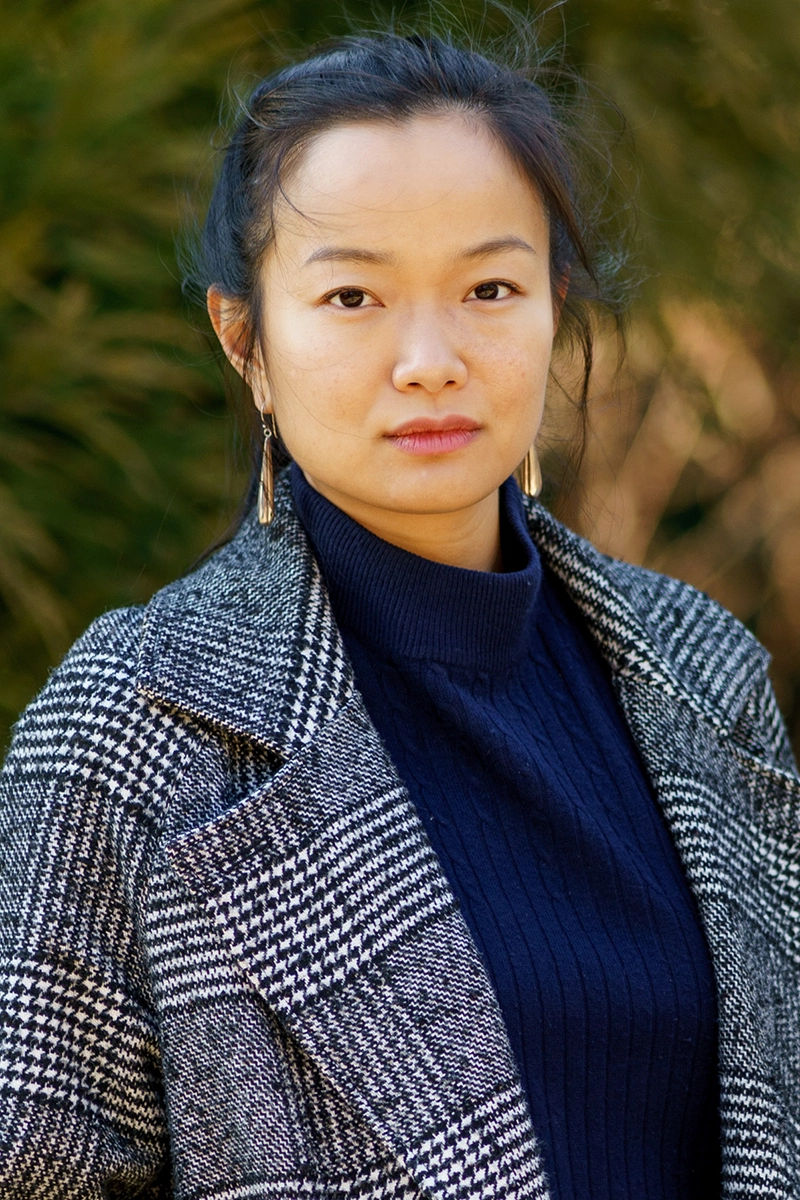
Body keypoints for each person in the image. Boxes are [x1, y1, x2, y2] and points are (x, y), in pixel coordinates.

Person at [1, 28, 798, 1200]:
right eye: (351, 295)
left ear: (552, 304)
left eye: (487, 287)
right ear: (245, 341)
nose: (429, 359)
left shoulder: (704, 678)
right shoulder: (136, 718)